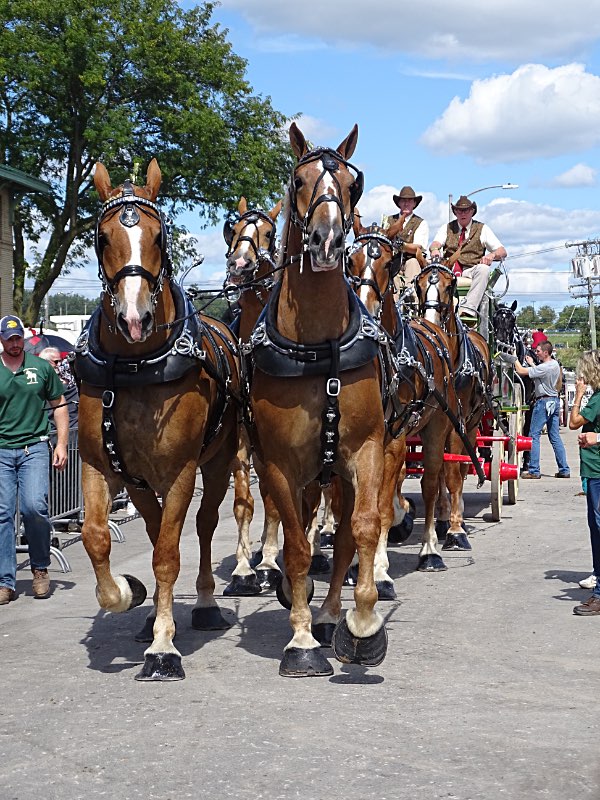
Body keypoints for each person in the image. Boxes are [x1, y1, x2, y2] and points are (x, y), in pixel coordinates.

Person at [0, 316, 68, 604]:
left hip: (34, 447)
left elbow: (60, 405)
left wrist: (62, 443)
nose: (14, 343)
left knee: (34, 507)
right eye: (8, 338)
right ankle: (5, 580)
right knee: (2, 514)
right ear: (1, 339)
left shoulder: (40, 367)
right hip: (2, 450)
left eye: (18, 338)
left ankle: (40, 567)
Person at [429, 195, 507, 319]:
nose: (462, 213)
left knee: (484, 269)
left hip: (471, 269)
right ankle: (430, 311)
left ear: (472, 211)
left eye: (466, 210)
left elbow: (502, 251)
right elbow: (435, 243)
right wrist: (435, 249)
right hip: (449, 269)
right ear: (455, 212)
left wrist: (492, 255)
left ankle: (468, 309)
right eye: (459, 210)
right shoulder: (447, 228)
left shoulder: (482, 229)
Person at [568, 351, 600, 612]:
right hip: (592, 471)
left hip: (598, 472)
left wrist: (578, 395)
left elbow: (573, 422)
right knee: (595, 528)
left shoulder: (598, 398)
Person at [512, 340, 570, 480]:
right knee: (554, 437)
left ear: (545, 352)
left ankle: (534, 470)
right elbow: (541, 374)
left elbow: (520, 370)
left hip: (543, 402)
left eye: (538, 351)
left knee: (533, 436)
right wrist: (532, 363)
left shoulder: (544, 368)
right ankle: (564, 469)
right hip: (554, 401)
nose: (536, 352)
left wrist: (513, 357)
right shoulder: (554, 365)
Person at [382, 186, 429, 292]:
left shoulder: (421, 223)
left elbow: (418, 248)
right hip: (391, 261)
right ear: (399, 203)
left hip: (410, 261)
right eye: (403, 200)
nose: (406, 203)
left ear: (414, 203)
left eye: (409, 201)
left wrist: (402, 246)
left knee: (413, 263)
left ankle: (411, 297)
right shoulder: (388, 220)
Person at [38, 346, 79, 429]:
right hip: (53, 431)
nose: (60, 364)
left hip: (73, 430)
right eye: (56, 362)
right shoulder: (39, 385)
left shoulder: (69, 381)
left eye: (61, 360)